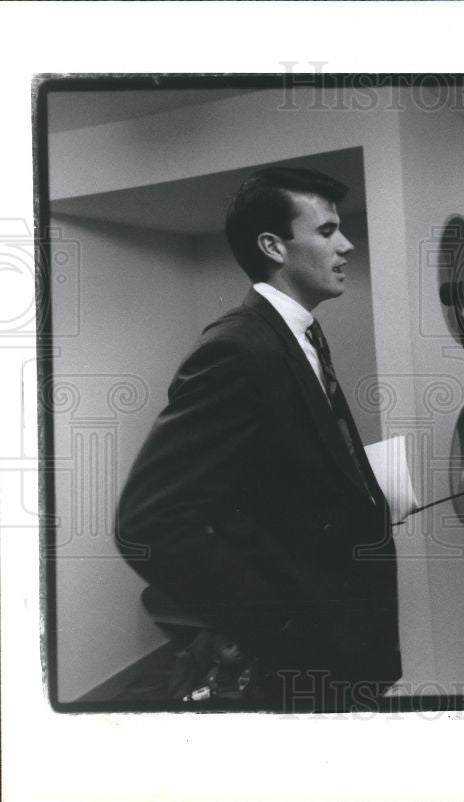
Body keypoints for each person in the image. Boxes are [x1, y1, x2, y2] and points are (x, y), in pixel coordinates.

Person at [115, 167, 400, 712]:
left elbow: (278, 471)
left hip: (349, 628)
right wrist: (273, 620)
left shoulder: (302, 333)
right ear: (273, 246)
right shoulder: (237, 349)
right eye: (325, 231)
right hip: (304, 643)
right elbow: (148, 522)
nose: (347, 243)